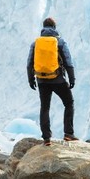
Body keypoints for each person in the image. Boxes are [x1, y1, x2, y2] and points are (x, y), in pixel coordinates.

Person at [27, 17, 77, 146]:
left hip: (42, 80)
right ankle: (68, 134)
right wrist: (72, 78)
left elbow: (30, 63)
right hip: (58, 79)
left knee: (45, 107)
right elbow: (67, 60)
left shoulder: (36, 43)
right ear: (54, 28)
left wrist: (31, 79)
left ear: (43, 28)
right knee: (69, 103)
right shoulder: (59, 41)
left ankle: (46, 139)